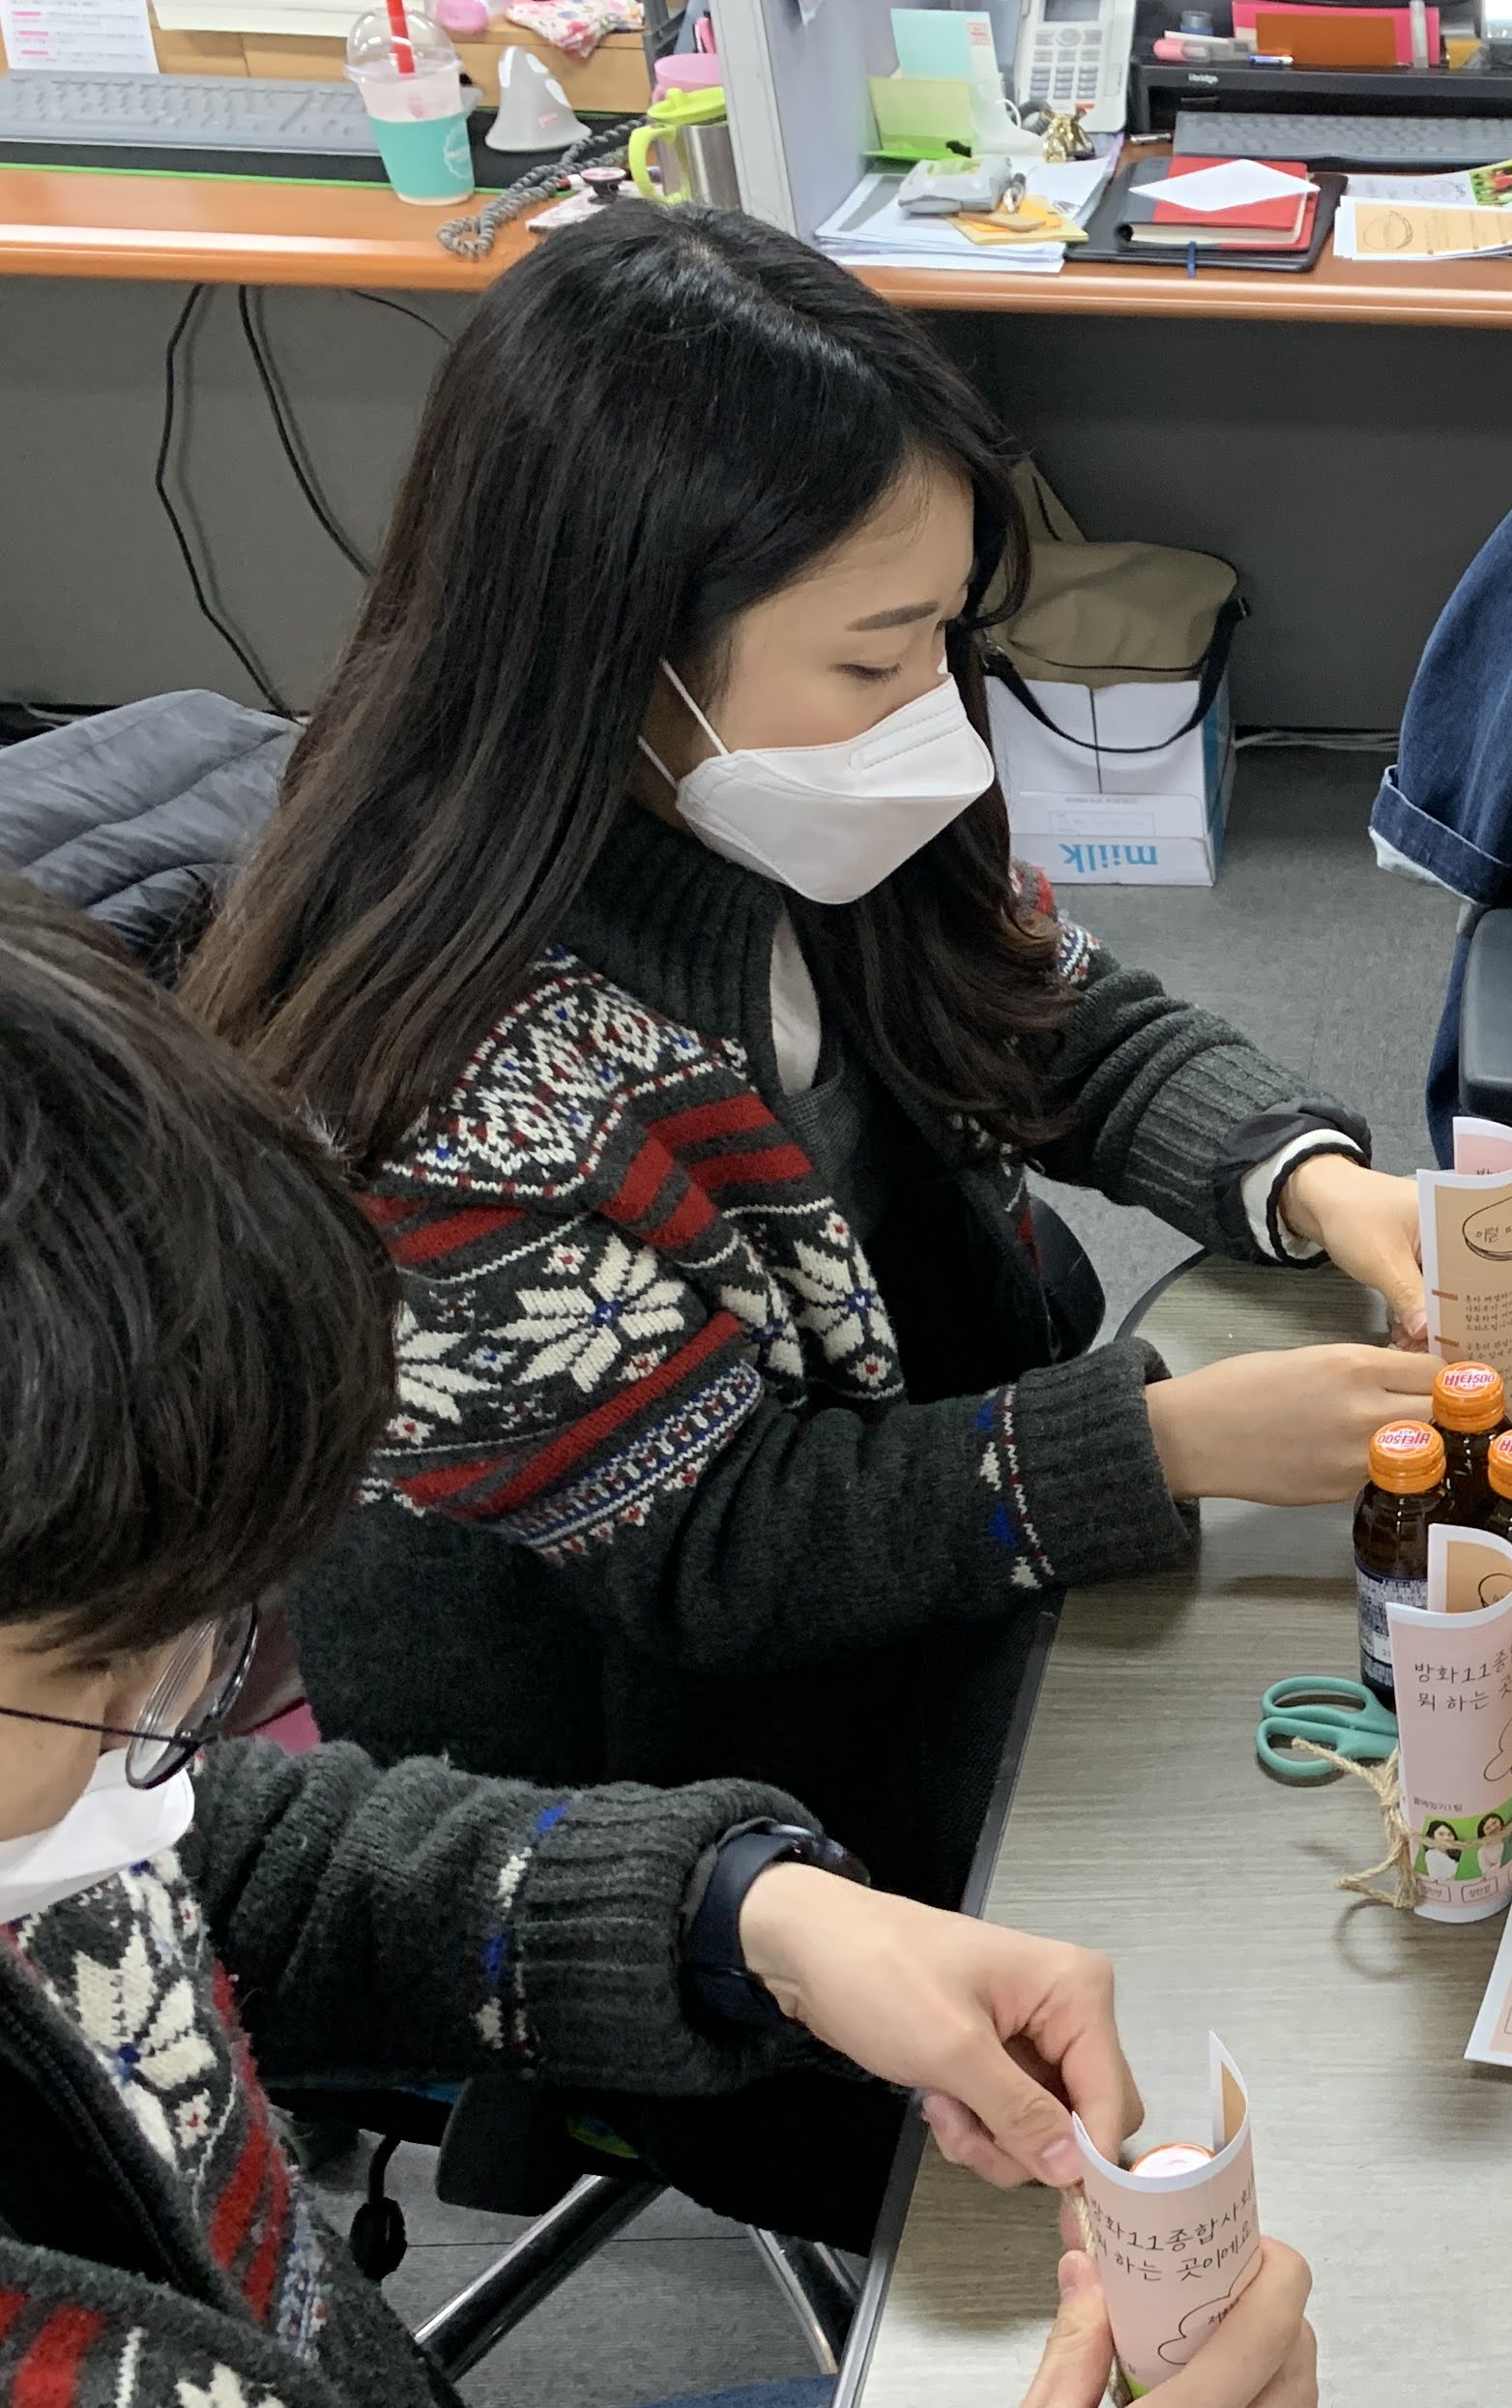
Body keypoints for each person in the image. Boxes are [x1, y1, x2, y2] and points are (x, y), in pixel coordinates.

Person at [0, 878, 1319, 2408]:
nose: (163, 1735)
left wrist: (729, 1915)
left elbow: (203, 1873)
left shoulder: (61, 1815)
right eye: (94, 1671)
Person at [186, 209, 1444, 1975]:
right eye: (874, 655)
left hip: (936, 1526)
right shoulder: (446, 1072)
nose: (934, 709)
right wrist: (1163, 1442)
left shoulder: (798, 804)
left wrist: (1308, 1175)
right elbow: (716, 1548)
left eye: (943, 634)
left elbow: (1048, 1016)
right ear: (619, 644)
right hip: (667, 1791)